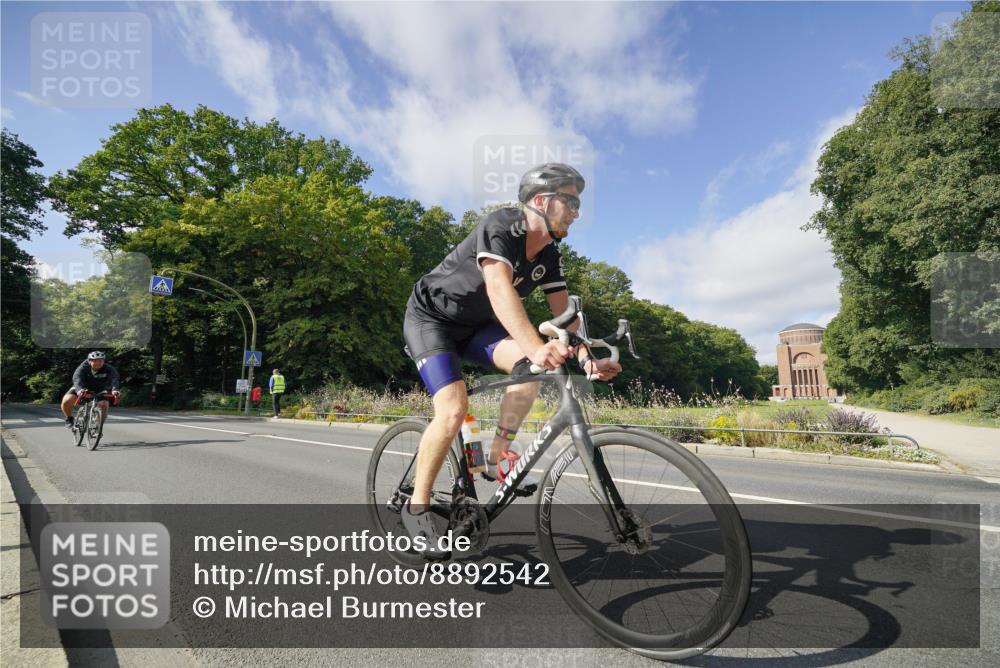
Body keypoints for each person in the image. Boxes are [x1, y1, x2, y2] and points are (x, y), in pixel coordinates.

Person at [401, 163, 622, 558]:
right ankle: (416, 510)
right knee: (452, 410)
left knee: (530, 370)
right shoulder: (502, 224)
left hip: (475, 327)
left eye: (578, 204)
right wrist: (537, 344)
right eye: (570, 201)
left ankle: (497, 456)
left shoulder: (550, 253)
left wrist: (588, 358)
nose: (576, 211)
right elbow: (500, 289)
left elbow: (565, 314)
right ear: (541, 201)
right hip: (431, 320)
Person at [61, 351, 120, 428]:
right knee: (67, 400)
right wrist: (79, 389)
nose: (98, 363)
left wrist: (115, 389)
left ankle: (98, 426)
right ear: (89, 361)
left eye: (100, 361)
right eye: (95, 360)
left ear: (103, 361)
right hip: (83, 387)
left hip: (100, 388)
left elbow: (114, 379)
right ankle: (69, 418)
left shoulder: (109, 369)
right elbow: (77, 378)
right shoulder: (83, 367)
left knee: (104, 405)